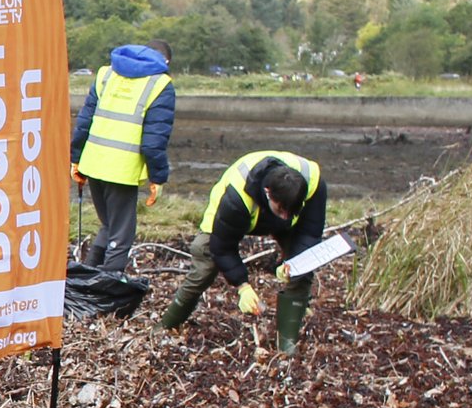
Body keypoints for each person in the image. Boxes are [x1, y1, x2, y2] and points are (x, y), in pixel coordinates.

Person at [156, 150, 326, 354]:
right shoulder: (235, 199)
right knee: (205, 263)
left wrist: (293, 263)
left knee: (303, 267)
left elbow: (310, 233)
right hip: (229, 217)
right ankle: (167, 326)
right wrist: (243, 286)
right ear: (267, 192)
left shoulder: (313, 183)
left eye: (292, 211)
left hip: (279, 212)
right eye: (281, 210)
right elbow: (223, 247)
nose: (286, 216)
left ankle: (287, 345)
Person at [68, 40, 176, 273]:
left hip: (93, 162)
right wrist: (158, 178)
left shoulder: (106, 74)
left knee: (109, 225)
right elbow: (154, 142)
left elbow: (84, 122)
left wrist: (76, 158)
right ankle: (107, 286)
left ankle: (88, 276)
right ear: (165, 61)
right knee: (121, 234)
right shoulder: (160, 85)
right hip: (122, 170)